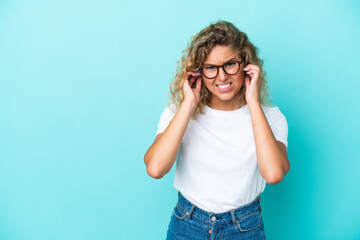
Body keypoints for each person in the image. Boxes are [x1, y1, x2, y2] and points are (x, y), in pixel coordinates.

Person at [144, 20, 289, 240]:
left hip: (244, 228)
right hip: (187, 224)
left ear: (246, 64)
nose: (221, 77)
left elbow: (274, 174)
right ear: (199, 72)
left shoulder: (271, 117)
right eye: (210, 68)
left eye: (230, 64)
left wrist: (253, 102)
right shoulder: (179, 112)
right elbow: (155, 168)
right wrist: (188, 104)